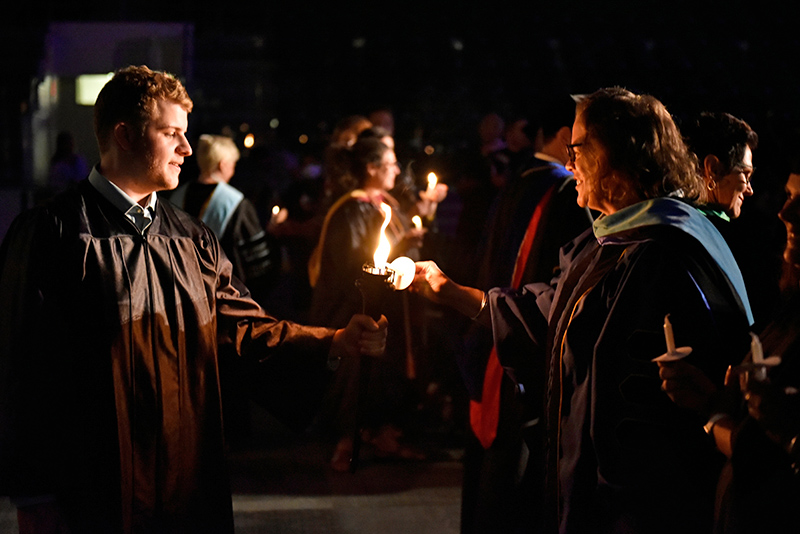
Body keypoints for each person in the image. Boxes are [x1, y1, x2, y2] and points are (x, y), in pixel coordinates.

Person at [0, 65, 387, 534]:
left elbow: (243, 329)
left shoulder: (192, 240)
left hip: (187, 482)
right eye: (172, 133)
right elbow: (18, 368)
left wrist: (334, 342)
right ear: (124, 135)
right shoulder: (53, 235)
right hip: (96, 489)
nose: (187, 148)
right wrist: (34, 494)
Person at [412, 87, 753, 534]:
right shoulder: (614, 243)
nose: (568, 163)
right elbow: (547, 314)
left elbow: (646, 420)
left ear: (618, 154)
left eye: (578, 149)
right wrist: (447, 289)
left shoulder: (662, 257)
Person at [462, 95, 593, 534]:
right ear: (563, 137)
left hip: (493, 333)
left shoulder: (518, 181)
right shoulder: (562, 191)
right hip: (525, 338)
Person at [658, 169, 800, 533]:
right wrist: (712, 400)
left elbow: (756, 449)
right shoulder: (789, 305)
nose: (786, 213)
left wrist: (714, 415)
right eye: (788, 195)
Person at [308, 136, 425, 471]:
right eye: (390, 164)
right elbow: (355, 262)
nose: (397, 170)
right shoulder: (352, 208)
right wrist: (402, 242)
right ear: (372, 168)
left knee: (388, 375)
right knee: (358, 377)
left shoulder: (383, 203)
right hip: (355, 306)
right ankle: (348, 442)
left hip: (392, 305)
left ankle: (383, 433)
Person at [684, 112, 780, 327]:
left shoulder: (667, 227)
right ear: (714, 169)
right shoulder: (736, 243)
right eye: (746, 175)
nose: (750, 190)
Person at [169, 134, 277, 303]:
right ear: (223, 164)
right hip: (225, 300)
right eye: (233, 164)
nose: (233, 170)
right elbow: (257, 267)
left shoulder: (175, 197)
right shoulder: (235, 203)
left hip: (179, 295)